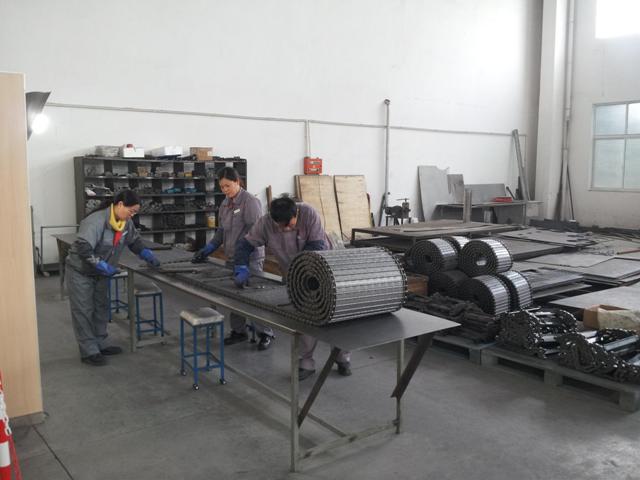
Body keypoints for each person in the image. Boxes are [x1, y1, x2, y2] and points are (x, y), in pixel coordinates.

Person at [234, 196, 352, 381]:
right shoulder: (265, 223)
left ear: (295, 213)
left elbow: (316, 245)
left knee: (335, 315)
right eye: (280, 226)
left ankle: (342, 358)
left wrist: (301, 273)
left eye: (288, 224)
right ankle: (306, 363)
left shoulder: (309, 213)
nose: (284, 229)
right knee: (305, 318)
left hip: (324, 268)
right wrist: (241, 265)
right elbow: (245, 244)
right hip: (295, 277)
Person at [66, 190, 161, 366]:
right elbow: (83, 248)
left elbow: (134, 241)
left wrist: (146, 254)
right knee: (83, 310)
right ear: (120, 205)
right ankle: (89, 351)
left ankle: (100, 342)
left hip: (101, 272)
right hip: (81, 272)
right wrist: (102, 265)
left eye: (135, 212)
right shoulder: (96, 221)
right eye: (131, 211)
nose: (132, 215)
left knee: (101, 307)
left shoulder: (125, 222)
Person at [192, 167, 274, 350]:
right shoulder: (225, 204)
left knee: (254, 297)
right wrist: (209, 248)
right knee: (235, 296)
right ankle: (239, 331)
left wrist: (243, 260)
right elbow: (221, 231)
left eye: (228, 186)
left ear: (237, 182)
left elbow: (256, 232)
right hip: (232, 257)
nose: (225, 190)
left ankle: (265, 333)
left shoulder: (250, 202)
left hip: (250, 258)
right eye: (222, 187)